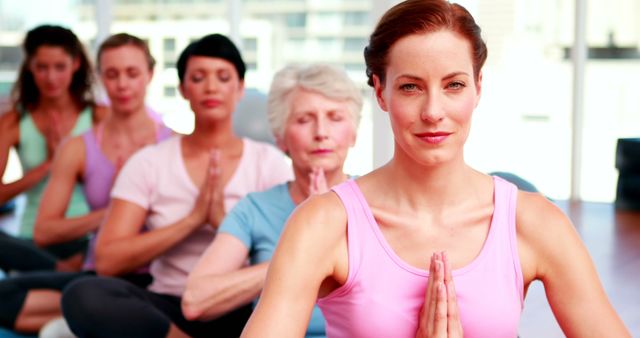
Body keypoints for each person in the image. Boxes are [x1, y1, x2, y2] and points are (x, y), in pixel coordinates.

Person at [241, 1, 631, 338]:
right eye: (410, 87)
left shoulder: (534, 222)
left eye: (454, 85)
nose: (432, 112)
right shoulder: (323, 223)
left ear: (478, 87)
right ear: (380, 92)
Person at [61, 33, 292, 338]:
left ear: (239, 88)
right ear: (183, 89)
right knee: (84, 295)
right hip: (169, 309)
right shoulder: (150, 162)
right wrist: (192, 221)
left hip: (244, 307)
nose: (211, 87)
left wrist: (225, 224)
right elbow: (107, 261)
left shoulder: (269, 163)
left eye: (223, 77)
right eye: (198, 78)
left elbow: (285, 257)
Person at [0, 32, 172, 336]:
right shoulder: (78, 146)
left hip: (156, 276)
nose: (122, 84)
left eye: (132, 73)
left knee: (86, 300)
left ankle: (88, 316)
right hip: (96, 272)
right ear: (99, 76)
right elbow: (44, 231)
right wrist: (119, 211)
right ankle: (90, 314)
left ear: (150, 75)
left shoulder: (173, 144)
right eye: (112, 74)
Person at [182, 64, 362, 338]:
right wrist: (302, 251)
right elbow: (196, 300)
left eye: (335, 118)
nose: (321, 132)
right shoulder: (255, 209)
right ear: (280, 138)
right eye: (304, 120)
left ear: (354, 133)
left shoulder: (378, 199)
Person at [0, 24, 107, 273]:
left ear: (76, 64)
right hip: (31, 240)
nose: (51, 78)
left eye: (60, 67)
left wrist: (68, 162)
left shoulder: (99, 116)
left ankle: (58, 272)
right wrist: (47, 166)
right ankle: (61, 270)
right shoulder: (13, 122)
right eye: (42, 67)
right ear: (30, 67)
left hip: (85, 236)